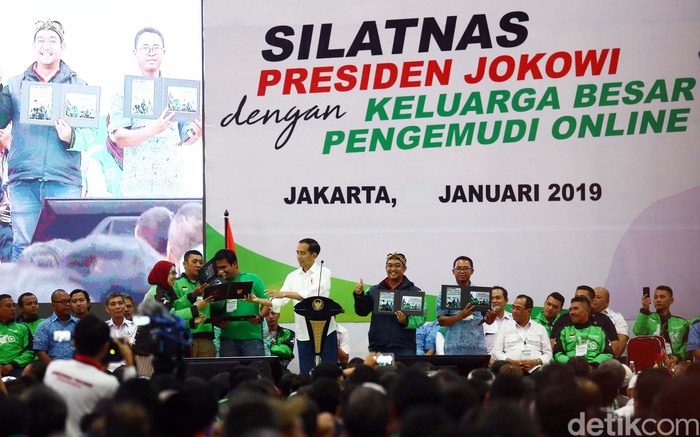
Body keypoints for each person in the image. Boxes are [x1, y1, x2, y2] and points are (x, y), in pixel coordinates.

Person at [0, 19, 97, 260]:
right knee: (23, 247)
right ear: (34, 47)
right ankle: (21, 286)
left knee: (64, 249)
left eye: (53, 40)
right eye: (41, 40)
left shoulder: (78, 86)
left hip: (64, 181)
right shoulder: (14, 84)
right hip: (23, 181)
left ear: (62, 47)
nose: (46, 45)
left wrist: (71, 136)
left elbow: (91, 135)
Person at [107, 27, 202, 197]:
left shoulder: (176, 90)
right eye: (145, 48)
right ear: (135, 53)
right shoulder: (123, 90)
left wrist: (196, 133)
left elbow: (185, 137)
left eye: (156, 47)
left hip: (172, 188)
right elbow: (120, 139)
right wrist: (153, 130)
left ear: (163, 52)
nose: (151, 52)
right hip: (137, 189)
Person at [43, 314, 135, 437]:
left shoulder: (54, 369)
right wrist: (129, 363)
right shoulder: (108, 383)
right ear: (105, 346)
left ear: (74, 343)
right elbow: (129, 410)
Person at [266, 238, 337, 373]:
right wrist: (259, 300)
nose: (299, 257)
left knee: (330, 370)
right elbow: (279, 301)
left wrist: (285, 294)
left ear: (314, 255)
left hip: (325, 329)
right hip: (303, 331)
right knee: (305, 371)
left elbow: (313, 296)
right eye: (297, 252)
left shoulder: (324, 272)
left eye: (302, 253)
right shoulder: (292, 276)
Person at [132, 260, 212, 376]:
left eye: (175, 273)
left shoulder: (166, 291)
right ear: (163, 274)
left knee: (162, 382)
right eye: (172, 273)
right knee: (147, 381)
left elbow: (175, 305)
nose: (175, 276)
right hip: (147, 348)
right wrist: (196, 308)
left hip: (160, 345)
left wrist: (193, 296)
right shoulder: (156, 292)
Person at [353, 252, 426, 356]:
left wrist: (406, 321)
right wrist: (359, 295)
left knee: (403, 368)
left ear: (404, 269)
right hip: (378, 346)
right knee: (379, 368)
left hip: (404, 347)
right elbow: (362, 312)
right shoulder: (374, 290)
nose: (393, 269)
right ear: (385, 268)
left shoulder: (414, 291)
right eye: (390, 265)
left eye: (397, 266)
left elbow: (422, 317)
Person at [213, 249, 269, 357]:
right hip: (227, 339)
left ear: (235, 264)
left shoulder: (253, 278)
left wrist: (260, 317)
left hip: (252, 339)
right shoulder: (217, 283)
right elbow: (213, 307)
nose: (221, 271)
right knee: (229, 369)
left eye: (224, 267)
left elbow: (268, 302)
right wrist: (218, 322)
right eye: (218, 268)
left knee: (255, 368)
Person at [436, 256, 494, 355]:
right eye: (458, 268)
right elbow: (442, 321)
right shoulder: (445, 293)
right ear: (453, 271)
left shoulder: (480, 293)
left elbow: (488, 321)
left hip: (477, 348)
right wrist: (461, 315)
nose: (462, 271)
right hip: (453, 348)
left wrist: (491, 317)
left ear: (472, 271)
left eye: (466, 268)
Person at [491, 294, 553, 374]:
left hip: (535, 369)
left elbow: (548, 354)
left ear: (528, 311)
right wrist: (513, 362)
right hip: (510, 369)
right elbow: (497, 352)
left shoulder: (540, 329)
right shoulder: (504, 328)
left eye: (518, 308)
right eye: (513, 307)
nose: (514, 311)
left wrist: (535, 362)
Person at [551, 286, 619, 353]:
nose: (578, 300)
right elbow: (553, 346)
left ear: (591, 302)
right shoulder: (563, 319)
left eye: (582, 297)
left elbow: (614, 348)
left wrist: (596, 360)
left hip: (595, 359)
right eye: (576, 296)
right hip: (569, 359)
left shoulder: (604, 320)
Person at [173, 249, 215, 357]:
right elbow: (175, 308)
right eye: (194, 261)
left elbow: (218, 305)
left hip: (206, 337)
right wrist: (192, 295)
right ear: (184, 264)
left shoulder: (208, 283)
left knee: (209, 367)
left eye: (201, 262)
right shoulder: (176, 284)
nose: (198, 265)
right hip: (184, 338)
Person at [632, 285, 689, 363]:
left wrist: (678, 357)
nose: (658, 300)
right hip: (650, 362)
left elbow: (687, 344)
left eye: (662, 297)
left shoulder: (682, 323)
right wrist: (645, 310)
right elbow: (638, 333)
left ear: (671, 300)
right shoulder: (646, 318)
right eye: (655, 297)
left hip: (675, 363)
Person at [553, 296, 613, 365]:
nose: (572, 312)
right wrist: (571, 363)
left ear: (587, 310)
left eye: (576, 309)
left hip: (595, 368)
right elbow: (557, 354)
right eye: (570, 309)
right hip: (570, 367)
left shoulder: (600, 331)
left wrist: (593, 365)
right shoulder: (564, 331)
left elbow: (608, 353)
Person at [33, 289, 79, 364]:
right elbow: (40, 351)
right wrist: (54, 367)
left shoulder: (80, 324)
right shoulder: (44, 326)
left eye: (69, 301)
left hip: (77, 367)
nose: (68, 304)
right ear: (53, 305)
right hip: (53, 367)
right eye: (63, 302)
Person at [0, 294, 34, 377]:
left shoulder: (23, 328)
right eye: (8, 306)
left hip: (16, 368)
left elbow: (30, 351)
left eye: (13, 306)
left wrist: (12, 365)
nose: (13, 309)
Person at [592, 287, 629, 358]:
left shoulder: (617, 317)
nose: (594, 300)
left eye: (598, 297)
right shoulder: (584, 317)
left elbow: (621, 342)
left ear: (607, 301)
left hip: (610, 358)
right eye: (593, 297)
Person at [264, 302, 295, 371]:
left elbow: (287, 351)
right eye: (266, 314)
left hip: (281, 367)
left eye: (273, 313)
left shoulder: (287, 332)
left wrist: (266, 347)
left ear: (278, 315)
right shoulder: (258, 333)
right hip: (263, 367)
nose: (270, 317)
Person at [483, 286, 512, 354]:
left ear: (506, 300)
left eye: (498, 298)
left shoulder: (513, 320)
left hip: (509, 358)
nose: (494, 301)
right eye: (491, 298)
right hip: (489, 359)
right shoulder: (483, 320)